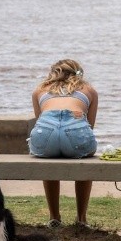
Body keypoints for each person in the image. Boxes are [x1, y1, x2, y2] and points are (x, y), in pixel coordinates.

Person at [29, 59, 99, 228]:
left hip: (46, 135)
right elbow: (90, 126)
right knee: (85, 161)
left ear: (53, 72)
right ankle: (81, 218)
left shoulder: (39, 90)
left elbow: (40, 120)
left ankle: (54, 217)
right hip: (75, 134)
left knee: (48, 161)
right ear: (78, 73)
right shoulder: (88, 90)